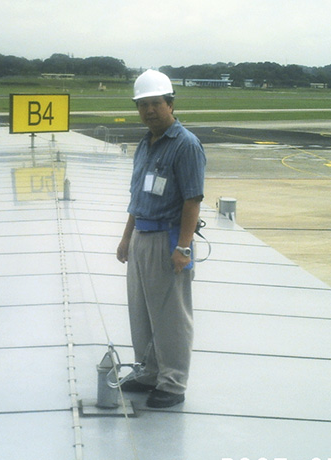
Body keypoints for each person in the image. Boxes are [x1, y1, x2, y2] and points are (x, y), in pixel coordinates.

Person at [116, 69, 206, 408]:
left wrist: (183, 247)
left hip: (168, 240)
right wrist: (126, 238)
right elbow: (137, 196)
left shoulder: (185, 145)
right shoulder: (145, 143)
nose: (149, 110)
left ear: (170, 104)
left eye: (155, 103)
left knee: (170, 316)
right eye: (142, 105)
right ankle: (148, 372)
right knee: (141, 313)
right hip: (141, 235)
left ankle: (173, 383)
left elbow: (192, 200)